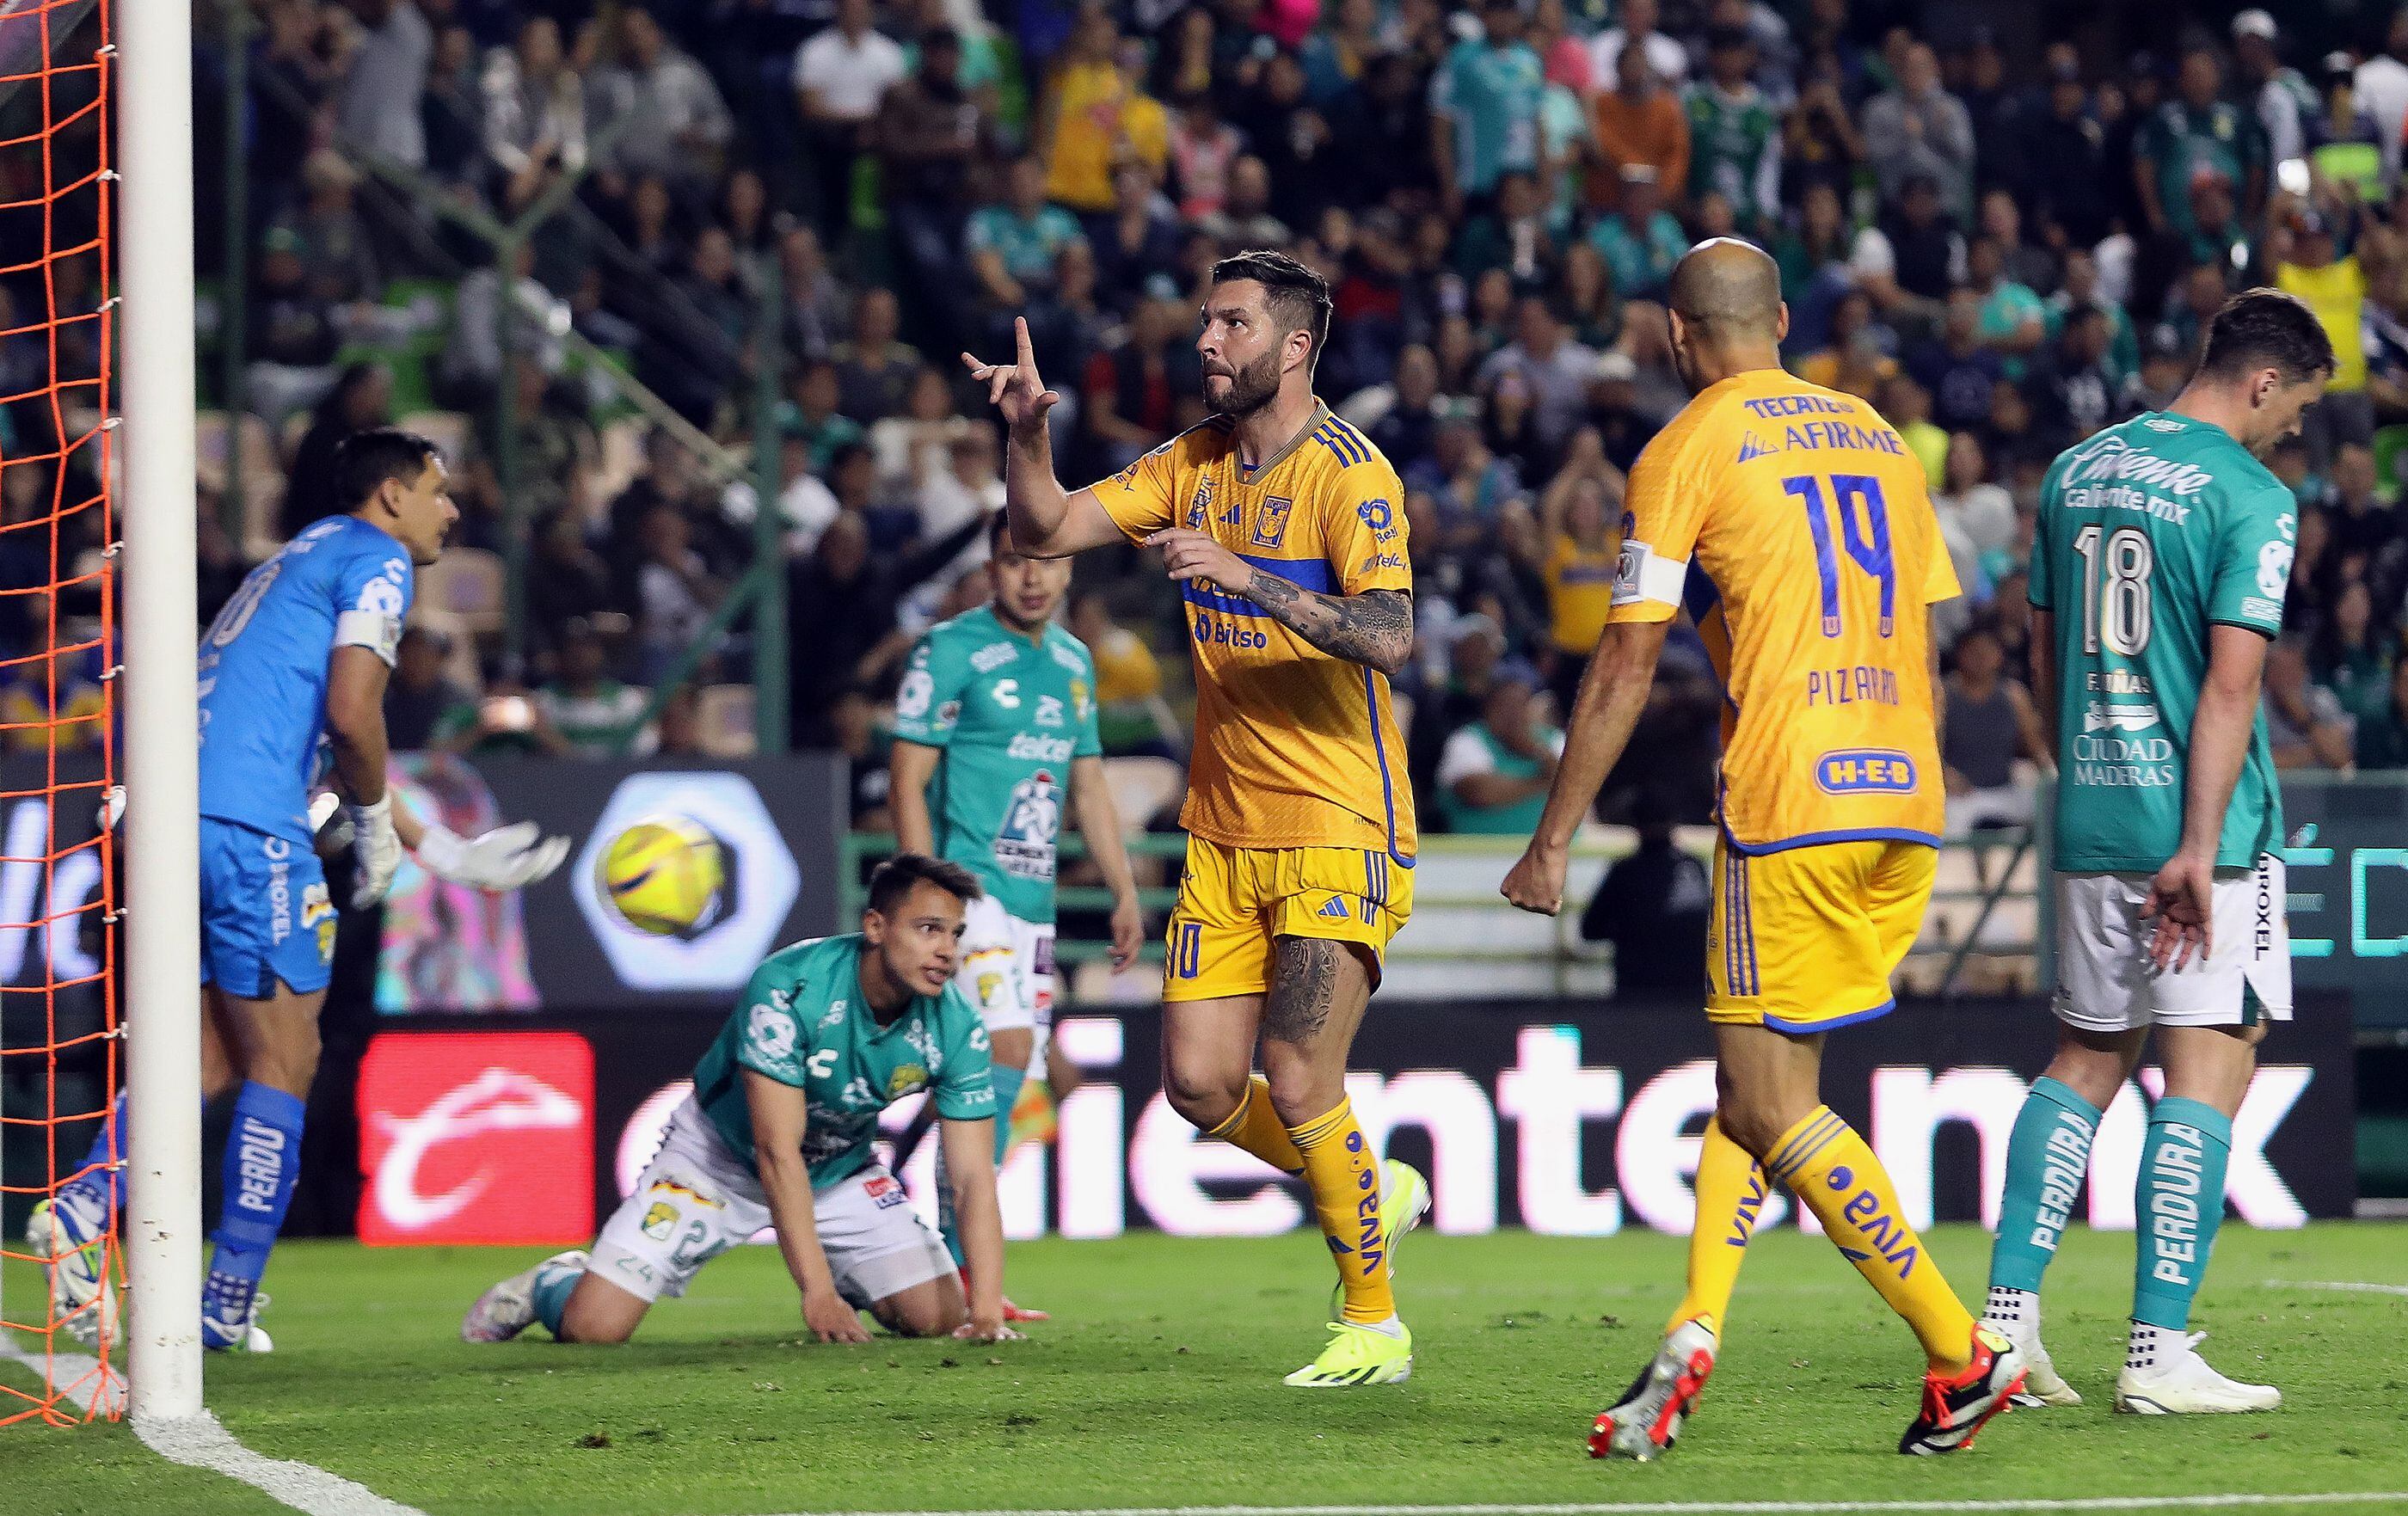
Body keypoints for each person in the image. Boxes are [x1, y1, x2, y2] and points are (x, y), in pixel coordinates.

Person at [1500, 239, 2022, 1458]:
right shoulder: (1883, 437)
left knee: (1769, 1104)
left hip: (1792, 793)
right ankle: (1696, 1321)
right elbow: (1932, 634)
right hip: (1904, 792)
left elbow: (1629, 655)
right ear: (1781, 318)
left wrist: (1554, 834)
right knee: (1769, 1089)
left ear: (1678, 337)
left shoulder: (1683, 448)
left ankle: (1961, 1351)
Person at [962, 249, 1432, 1386]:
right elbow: (1043, 529)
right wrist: (1027, 434)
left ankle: (1374, 1320)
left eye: (1229, 325)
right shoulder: (1195, 460)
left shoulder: (1350, 476)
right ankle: (1370, 1183)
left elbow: (1391, 634)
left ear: (1295, 345)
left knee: (1301, 1070)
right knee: (1202, 1086)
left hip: (1336, 817)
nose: (1207, 344)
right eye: (1205, 324)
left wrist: (1242, 573)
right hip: (1224, 831)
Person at [32, 431, 569, 1351]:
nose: (452, 509)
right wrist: (364, 827)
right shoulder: (379, 560)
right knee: (288, 1061)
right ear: (392, 495)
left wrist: (434, 843)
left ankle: (83, 1208)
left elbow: (297, 726)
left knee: (208, 1056)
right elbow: (353, 713)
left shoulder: (299, 556)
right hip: (248, 831)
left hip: (162, 817)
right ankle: (227, 1301)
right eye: (439, 491)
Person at [1981, 289, 2332, 1415]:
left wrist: (2086, 779)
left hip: (2090, 810)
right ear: (2265, 380)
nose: (2292, 434)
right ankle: (2158, 1350)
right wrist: (2194, 843)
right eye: (2297, 409)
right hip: (2204, 835)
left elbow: (2043, 650)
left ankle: (2004, 1328)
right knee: (2214, 1059)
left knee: (2083, 1055)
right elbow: (2233, 687)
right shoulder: (2250, 497)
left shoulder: (2076, 470)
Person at [461, 856, 1016, 1348]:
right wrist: (815, 1291)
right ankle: (550, 1283)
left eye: (955, 934)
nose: (947, 950)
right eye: (928, 929)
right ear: (875, 926)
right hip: (717, 1162)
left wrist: (987, 1308)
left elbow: (971, 1178)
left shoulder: (956, 1024)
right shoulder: (791, 987)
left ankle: (859, 1271)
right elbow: (777, 1151)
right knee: (595, 1329)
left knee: (938, 1315)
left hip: (839, 1173)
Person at [888, 512, 1146, 1316]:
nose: (1031, 576)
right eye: (1013, 561)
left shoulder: (1073, 664)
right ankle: (964, 1271)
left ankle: (950, 1261)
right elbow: (906, 774)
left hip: (1034, 908)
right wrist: (926, 898)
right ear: (993, 569)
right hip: (971, 897)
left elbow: (1090, 784)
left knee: (1005, 1077)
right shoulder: (951, 649)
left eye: (1047, 561)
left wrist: (1123, 887)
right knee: (1001, 1051)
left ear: (1071, 571)